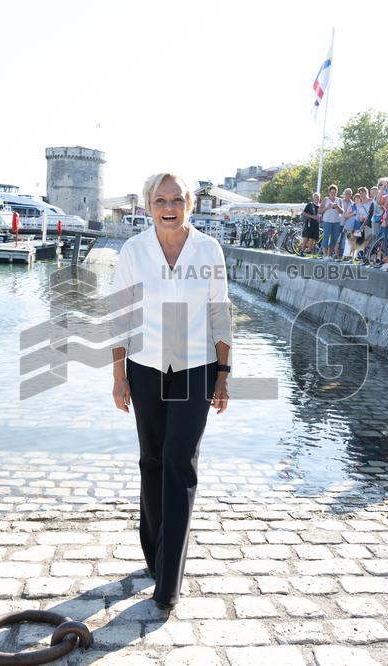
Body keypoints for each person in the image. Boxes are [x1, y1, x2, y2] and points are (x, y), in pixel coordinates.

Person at [111, 172, 232, 612]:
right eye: (160, 199)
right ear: (148, 205)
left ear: (189, 204)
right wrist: (118, 374)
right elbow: (119, 313)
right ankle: (154, 554)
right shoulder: (133, 250)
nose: (169, 206)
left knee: (180, 462)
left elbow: (220, 311)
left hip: (196, 368)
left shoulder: (209, 249)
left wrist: (223, 374)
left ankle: (168, 581)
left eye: (177, 199)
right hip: (143, 367)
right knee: (152, 460)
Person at [319, 185, 342, 260]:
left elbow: (342, 212)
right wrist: (327, 207)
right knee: (326, 237)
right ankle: (325, 255)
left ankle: (329, 254)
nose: (333, 194)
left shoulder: (339, 200)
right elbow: (319, 211)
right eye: (332, 192)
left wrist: (337, 207)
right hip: (327, 221)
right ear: (329, 192)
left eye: (334, 192)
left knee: (334, 238)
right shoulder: (325, 199)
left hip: (336, 221)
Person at [334, 187, 353, 260]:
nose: (348, 195)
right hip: (340, 223)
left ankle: (344, 255)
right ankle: (336, 254)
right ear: (344, 194)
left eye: (349, 194)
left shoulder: (353, 203)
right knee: (337, 240)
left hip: (348, 225)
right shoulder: (340, 201)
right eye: (347, 193)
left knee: (346, 241)